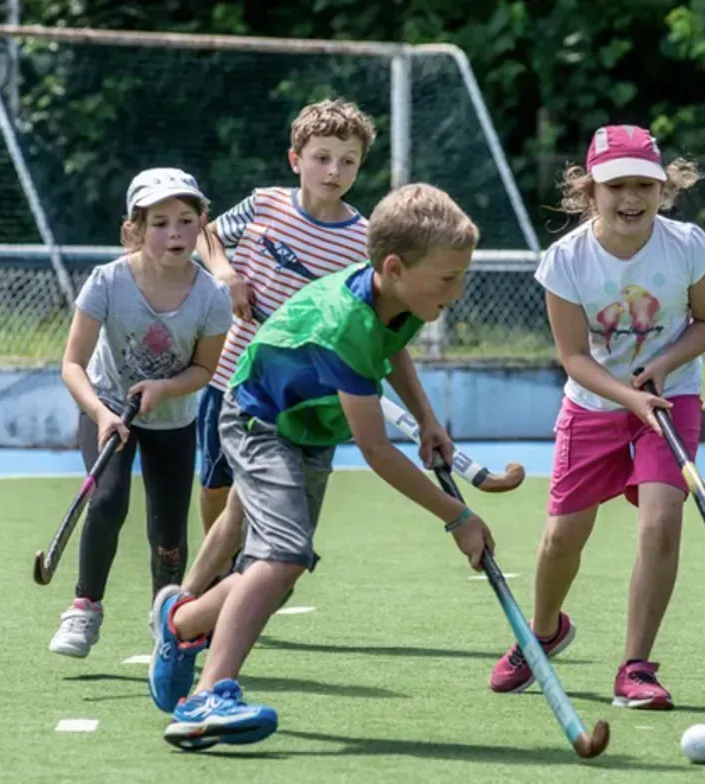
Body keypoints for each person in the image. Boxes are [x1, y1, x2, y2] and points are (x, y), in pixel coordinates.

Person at [147, 183, 496, 750]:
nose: (457, 291)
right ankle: (205, 698)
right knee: (281, 556)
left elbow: (394, 346)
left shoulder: (402, 298)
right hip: (261, 423)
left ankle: (181, 624)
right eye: (448, 277)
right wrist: (458, 518)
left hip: (308, 428)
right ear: (393, 266)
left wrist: (427, 418)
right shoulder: (344, 327)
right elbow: (379, 452)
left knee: (276, 579)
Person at [488, 125, 705, 709]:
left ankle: (637, 667)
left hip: (669, 400)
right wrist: (627, 396)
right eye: (616, 185)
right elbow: (572, 357)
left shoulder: (690, 246)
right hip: (594, 402)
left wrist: (664, 367)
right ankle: (542, 633)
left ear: (663, 188)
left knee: (661, 523)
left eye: (645, 184)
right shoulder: (566, 260)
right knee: (562, 539)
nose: (631, 197)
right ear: (589, 190)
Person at [185, 98, 377, 595]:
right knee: (216, 486)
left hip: (298, 395)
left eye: (348, 160)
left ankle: (253, 578)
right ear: (297, 160)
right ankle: (222, 578)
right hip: (231, 374)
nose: (334, 171)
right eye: (322, 157)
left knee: (275, 493)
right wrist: (225, 273)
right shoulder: (264, 203)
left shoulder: (364, 241)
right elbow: (207, 235)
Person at [48, 168, 233, 658]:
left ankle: (167, 619)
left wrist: (166, 387)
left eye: (186, 220)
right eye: (160, 222)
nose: (175, 233)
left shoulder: (212, 295)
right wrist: (102, 414)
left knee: (168, 532)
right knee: (107, 502)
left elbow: (203, 370)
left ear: (202, 225)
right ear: (135, 227)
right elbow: (71, 364)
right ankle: (84, 607)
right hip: (108, 408)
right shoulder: (107, 282)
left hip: (173, 419)